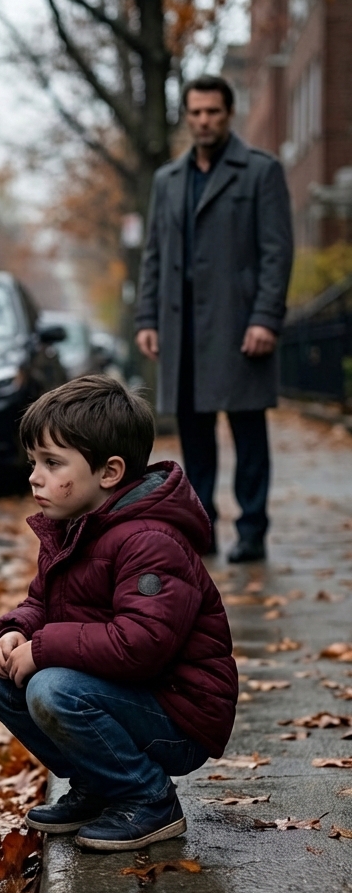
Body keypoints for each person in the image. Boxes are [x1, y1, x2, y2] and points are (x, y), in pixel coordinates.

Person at [0, 375, 237, 851]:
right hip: (129, 694)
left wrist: (45, 648)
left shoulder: (150, 541)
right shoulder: (75, 526)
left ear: (110, 472)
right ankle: (101, 787)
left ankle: (149, 799)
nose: (35, 475)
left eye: (52, 463)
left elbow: (141, 645)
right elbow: (43, 603)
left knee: (52, 687)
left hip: (179, 713)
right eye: (35, 461)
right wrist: (15, 632)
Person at [135, 74, 293, 563]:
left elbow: (277, 251)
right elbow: (154, 254)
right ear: (187, 116)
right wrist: (147, 317)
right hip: (181, 328)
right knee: (195, 438)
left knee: (248, 434)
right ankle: (200, 530)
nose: (204, 120)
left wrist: (265, 317)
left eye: (213, 112)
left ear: (229, 114)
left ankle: (252, 531)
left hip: (240, 323)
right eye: (196, 112)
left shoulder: (260, 171)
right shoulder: (168, 180)